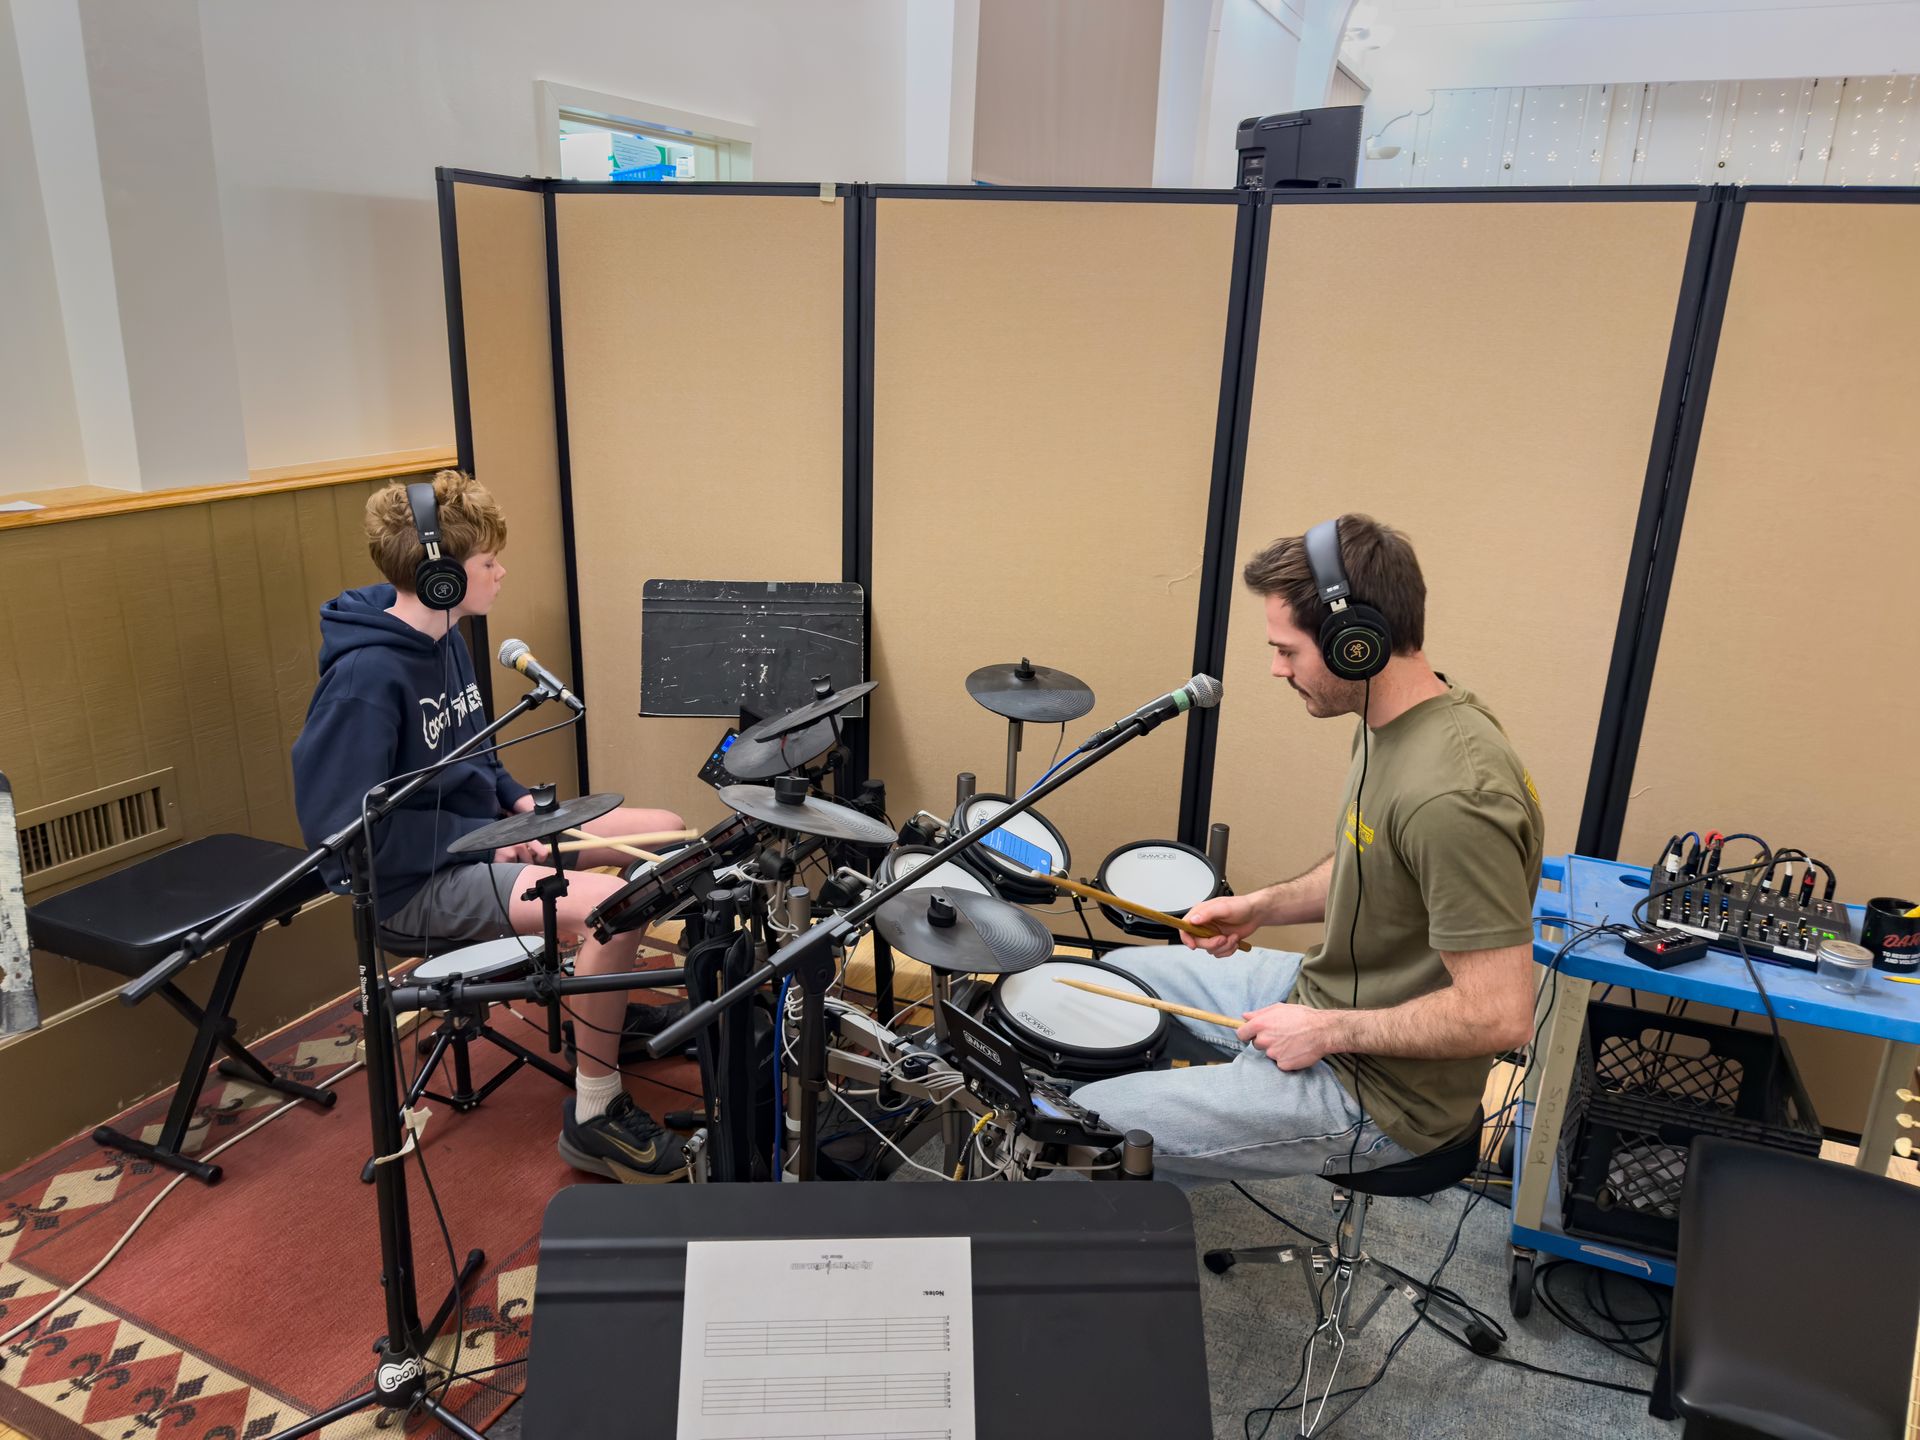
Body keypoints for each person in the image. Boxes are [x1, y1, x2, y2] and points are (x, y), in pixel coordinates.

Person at [1073, 515, 1542, 1183]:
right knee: (1107, 984)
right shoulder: (1394, 721)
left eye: (1288, 651)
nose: (1275, 669)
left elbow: (1500, 1016)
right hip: (1328, 995)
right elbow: (1376, 867)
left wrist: (1326, 1031)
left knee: (1083, 1122)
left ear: (1357, 644)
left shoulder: (1453, 794)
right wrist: (1261, 906)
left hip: (1384, 1096)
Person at [292, 469, 692, 1182]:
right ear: (440, 578)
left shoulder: (445, 638)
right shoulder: (364, 681)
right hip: (413, 885)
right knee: (610, 911)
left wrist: (511, 803)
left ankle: (603, 1012)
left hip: (481, 839)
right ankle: (595, 1111)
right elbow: (342, 839)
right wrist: (488, 840)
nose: (501, 573)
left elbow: (473, 752)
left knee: (666, 832)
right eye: (487, 563)